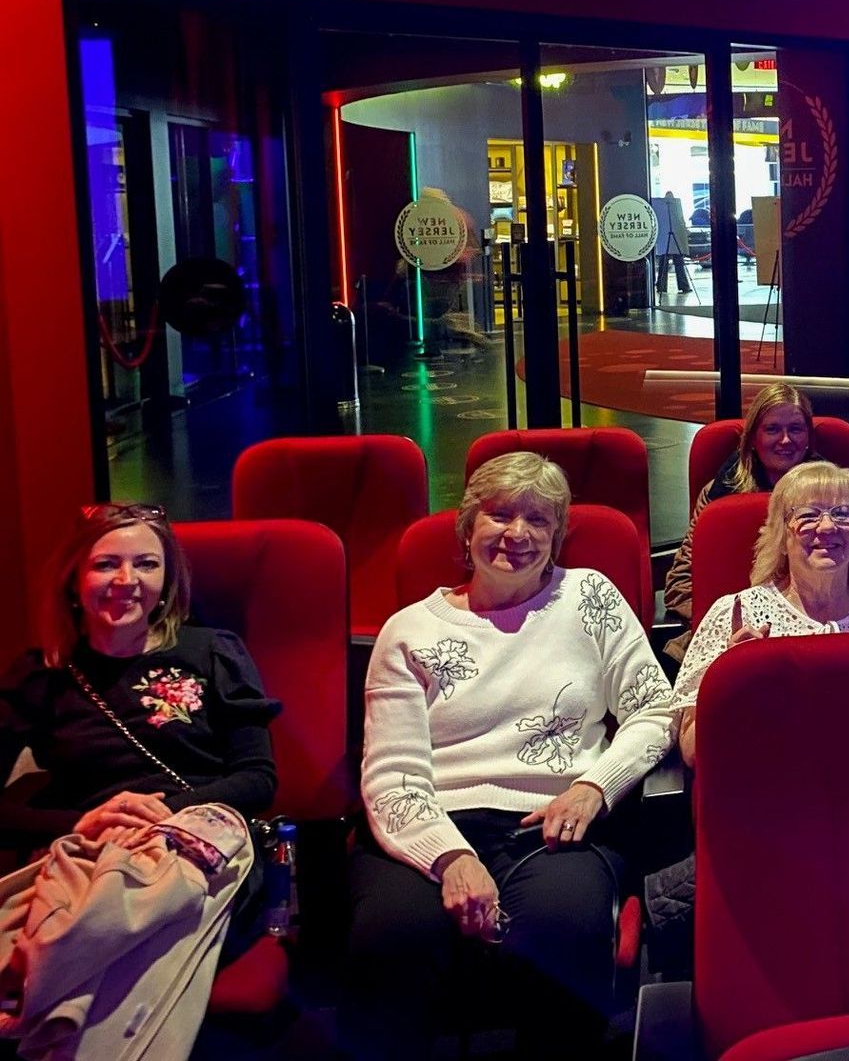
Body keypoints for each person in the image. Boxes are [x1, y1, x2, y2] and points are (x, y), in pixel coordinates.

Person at [345, 452, 675, 1060]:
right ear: (468, 525)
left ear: (557, 534)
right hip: (433, 822)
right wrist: (449, 858)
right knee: (392, 937)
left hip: (551, 822)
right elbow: (392, 774)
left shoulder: (589, 597)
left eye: (538, 520)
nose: (516, 534)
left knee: (563, 930)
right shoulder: (408, 631)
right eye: (499, 515)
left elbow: (656, 710)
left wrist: (596, 786)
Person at [640, 462, 849, 970]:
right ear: (780, 534)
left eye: (844, 515)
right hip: (770, 811)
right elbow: (693, 751)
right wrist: (733, 680)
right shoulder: (735, 614)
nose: (827, 527)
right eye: (808, 515)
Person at [0, 502, 279, 928]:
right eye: (106, 564)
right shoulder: (40, 675)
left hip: (197, 845)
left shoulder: (213, 652)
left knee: (107, 921)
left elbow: (258, 779)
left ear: (167, 580)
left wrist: (161, 816)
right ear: (73, 580)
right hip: (86, 859)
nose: (127, 580)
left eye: (147, 564)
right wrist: (83, 822)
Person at [660, 384, 826, 662]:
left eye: (796, 429)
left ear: (808, 436)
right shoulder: (718, 495)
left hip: (813, 629)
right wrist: (725, 624)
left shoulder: (833, 496)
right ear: (752, 438)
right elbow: (681, 583)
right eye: (772, 429)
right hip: (731, 631)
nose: (786, 440)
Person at [653, 191, 693, 294]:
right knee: (678, 265)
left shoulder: (661, 208)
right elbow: (681, 221)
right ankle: (684, 286)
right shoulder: (676, 207)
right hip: (676, 241)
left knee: (664, 265)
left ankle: (661, 286)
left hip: (665, 240)